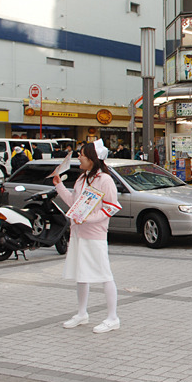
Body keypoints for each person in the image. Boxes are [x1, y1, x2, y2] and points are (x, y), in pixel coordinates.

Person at [53, 139, 123, 334]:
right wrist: (59, 186)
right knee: (81, 275)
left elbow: (111, 207)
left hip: (95, 234)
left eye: (81, 154)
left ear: (92, 158)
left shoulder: (105, 180)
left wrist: (89, 219)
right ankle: (81, 313)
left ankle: (112, 317)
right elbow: (74, 203)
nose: (78, 157)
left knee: (104, 275)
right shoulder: (82, 178)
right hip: (78, 233)